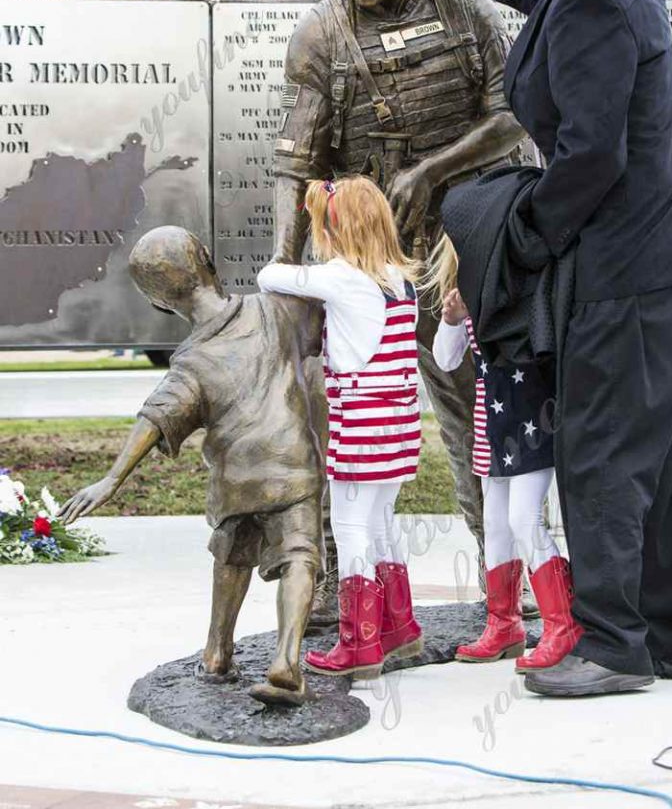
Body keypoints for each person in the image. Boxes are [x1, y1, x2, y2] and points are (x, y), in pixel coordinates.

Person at [372, 0, 672, 697]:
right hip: (643, 263)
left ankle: (612, 649)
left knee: (601, 453)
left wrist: (517, 238)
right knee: (636, 446)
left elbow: (592, 155)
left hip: (625, 271)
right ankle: (661, 624)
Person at [271, 0, 527, 626]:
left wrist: (433, 169)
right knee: (336, 418)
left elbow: (514, 115)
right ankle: (326, 584)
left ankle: (505, 575)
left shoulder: (465, 12)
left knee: (479, 407)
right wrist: (293, 285)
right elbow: (297, 162)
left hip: (462, 248)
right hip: (365, 260)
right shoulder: (320, 34)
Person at [58, 226, 325, 706]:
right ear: (207, 258)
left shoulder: (190, 361)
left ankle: (217, 652)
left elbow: (155, 417)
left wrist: (113, 478)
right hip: (294, 464)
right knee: (299, 557)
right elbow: (327, 320)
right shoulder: (274, 308)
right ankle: (287, 660)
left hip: (237, 480)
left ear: (158, 304)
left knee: (230, 557)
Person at [258, 175, 424, 680]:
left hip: (363, 418)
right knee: (381, 523)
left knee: (350, 528)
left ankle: (360, 644)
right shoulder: (401, 278)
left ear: (338, 228)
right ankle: (398, 628)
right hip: (399, 420)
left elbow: (270, 276)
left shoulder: (341, 278)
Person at [429, 233, 580, 670]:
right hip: (492, 426)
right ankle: (504, 624)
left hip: (532, 421)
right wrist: (453, 319)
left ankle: (561, 623)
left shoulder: (519, 289)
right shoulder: (466, 298)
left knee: (522, 519)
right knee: (496, 525)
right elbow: (445, 359)